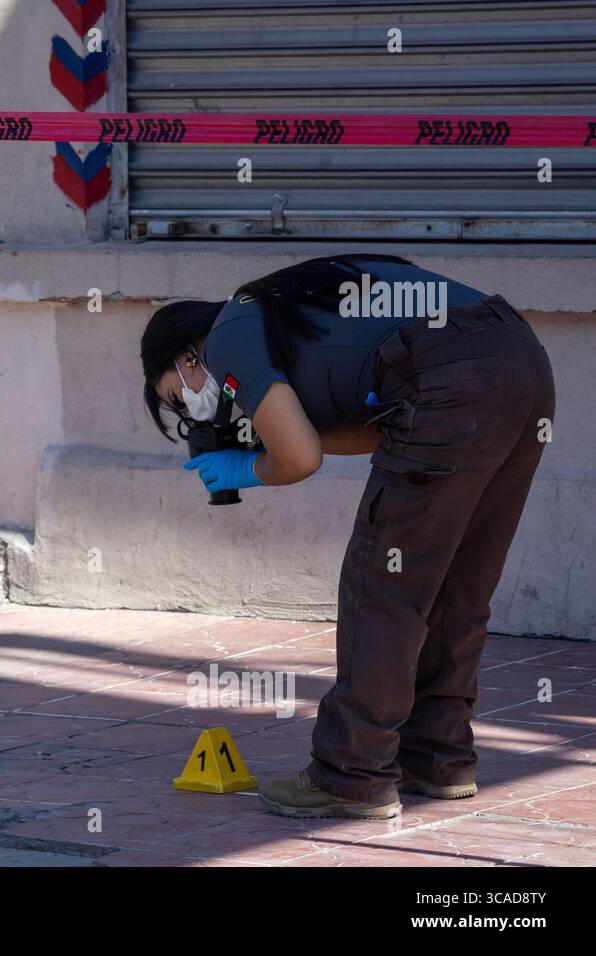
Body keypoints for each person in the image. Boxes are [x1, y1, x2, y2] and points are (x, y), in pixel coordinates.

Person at [139, 254, 555, 819]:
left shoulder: (228, 333)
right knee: (459, 582)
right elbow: (379, 427)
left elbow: (302, 457)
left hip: (448, 377)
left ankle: (351, 775)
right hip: (519, 359)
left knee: (380, 586)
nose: (191, 407)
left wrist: (252, 470)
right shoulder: (288, 318)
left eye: (176, 396)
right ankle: (438, 759)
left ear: (186, 354)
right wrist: (269, 441)